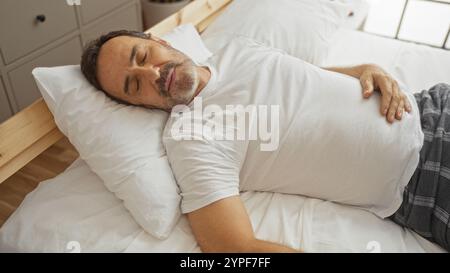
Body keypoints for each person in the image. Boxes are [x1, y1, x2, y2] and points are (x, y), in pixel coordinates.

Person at [80, 30, 450, 252]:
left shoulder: (237, 49)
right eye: (134, 84)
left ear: (158, 40)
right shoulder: (192, 137)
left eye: (142, 56)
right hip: (426, 180)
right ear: (138, 105)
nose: (152, 74)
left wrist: (366, 70)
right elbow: (232, 248)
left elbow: (307, 80)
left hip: (432, 104)